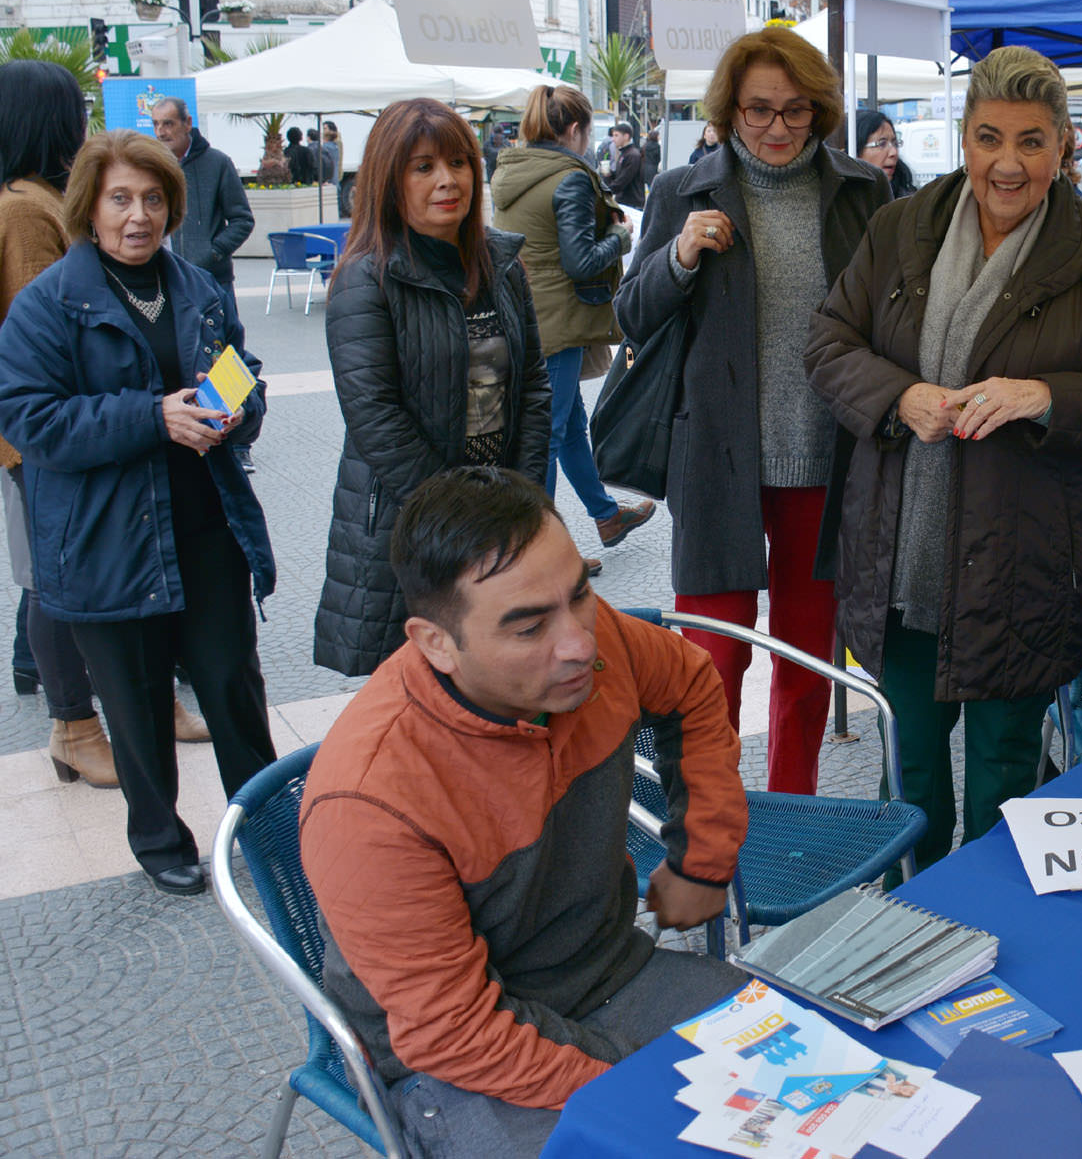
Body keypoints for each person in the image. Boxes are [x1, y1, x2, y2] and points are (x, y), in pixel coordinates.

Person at [805, 45, 1082, 866]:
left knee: (1001, 783)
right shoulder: (900, 226)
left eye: (1030, 142)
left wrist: (1046, 397)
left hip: (1024, 568)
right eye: (987, 138)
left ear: (1063, 148)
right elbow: (828, 342)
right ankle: (906, 928)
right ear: (962, 136)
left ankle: (988, 946)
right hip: (901, 559)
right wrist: (895, 395)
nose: (1006, 164)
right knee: (909, 780)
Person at [299, 466, 749, 1159]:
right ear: (434, 643)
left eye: (580, 595)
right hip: (451, 1063)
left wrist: (702, 856)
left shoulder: (605, 648)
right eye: (528, 627)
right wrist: (631, 1084)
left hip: (610, 974)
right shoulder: (369, 800)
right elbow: (450, 1032)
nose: (579, 644)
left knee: (820, 1069)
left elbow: (690, 681)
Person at [0, 130, 276, 897]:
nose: (138, 216)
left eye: (154, 199)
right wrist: (150, 418)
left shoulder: (195, 288)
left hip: (204, 526)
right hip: (105, 540)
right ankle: (160, 840)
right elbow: (31, 421)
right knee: (137, 697)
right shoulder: (49, 304)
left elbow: (239, 370)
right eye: (121, 198)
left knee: (230, 682)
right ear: (89, 207)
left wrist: (238, 409)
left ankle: (260, 821)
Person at [618, 27, 889, 796]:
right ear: (729, 109)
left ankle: (792, 809)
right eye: (757, 110)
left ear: (821, 111)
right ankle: (709, 819)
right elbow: (630, 315)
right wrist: (677, 258)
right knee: (710, 660)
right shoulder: (680, 191)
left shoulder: (861, 193)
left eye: (795, 111)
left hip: (825, 462)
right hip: (713, 460)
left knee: (806, 662)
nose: (775, 128)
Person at [314, 98, 552, 679]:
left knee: (501, 686)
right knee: (421, 702)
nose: (447, 180)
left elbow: (534, 389)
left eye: (459, 162)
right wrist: (461, 520)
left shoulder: (501, 261)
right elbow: (375, 416)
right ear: (389, 181)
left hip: (501, 516)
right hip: (411, 523)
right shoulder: (366, 277)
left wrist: (518, 502)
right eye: (423, 167)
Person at [0, 60, 124, 788]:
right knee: (54, 578)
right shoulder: (23, 208)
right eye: (73, 111)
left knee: (91, 565)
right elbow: (36, 333)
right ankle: (73, 725)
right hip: (42, 437)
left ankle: (122, 700)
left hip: (72, 428)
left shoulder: (45, 198)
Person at [490, 86, 653, 561]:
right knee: (550, 432)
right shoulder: (570, 178)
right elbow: (581, 261)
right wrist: (621, 236)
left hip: (522, 311)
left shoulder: (514, 170)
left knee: (568, 425)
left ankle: (605, 515)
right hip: (556, 319)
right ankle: (540, 552)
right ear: (577, 130)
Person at [152, 94, 259, 475]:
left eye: (168, 123)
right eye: (156, 125)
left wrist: (211, 255)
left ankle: (239, 439)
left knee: (226, 361)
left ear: (187, 123)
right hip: (166, 283)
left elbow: (242, 220)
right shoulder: (155, 167)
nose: (162, 131)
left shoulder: (217, 164)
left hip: (212, 284)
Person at [856, 109, 917, 200]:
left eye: (895, 143)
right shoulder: (842, 200)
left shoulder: (908, 201)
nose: (894, 152)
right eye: (882, 144)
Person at [599, 122, 646, 209]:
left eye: (616, 135)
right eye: (613, 135)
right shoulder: (624, 153)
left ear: (626, 136)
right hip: (625, 201)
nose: (613, 139)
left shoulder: (632, 155)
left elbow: (623, 180)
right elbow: (619, 176)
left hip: (632, 203)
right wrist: (608, 174)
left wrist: (605, 191)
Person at [324, 120, 349, 217]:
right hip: (335, 174)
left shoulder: (332, 144)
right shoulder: (335, 144)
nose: (323, 131)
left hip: (333, 174)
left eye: (325, 128)